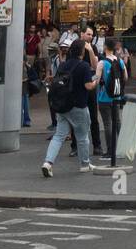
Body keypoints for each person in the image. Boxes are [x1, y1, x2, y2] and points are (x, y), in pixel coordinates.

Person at [41, 40, 99, 175]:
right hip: (78, 106)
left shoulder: (63, 65)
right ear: (82, 52)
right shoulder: (84, 66)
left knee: (59, 136)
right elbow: (88, 86)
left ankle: (48, 162)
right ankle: (85, 164)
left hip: (62, 106)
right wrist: (96, 80)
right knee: (82, 136)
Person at [96, 39, 127, 155]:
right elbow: (126, 78)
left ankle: (110, 150)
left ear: (105, 47)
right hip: (117, 96)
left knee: (108, 124)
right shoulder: (120, 61)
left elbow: (97, 80)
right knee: (117, 121)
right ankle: (123, 147)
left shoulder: (102, 63)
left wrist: (92, 80)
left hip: (104, 97)